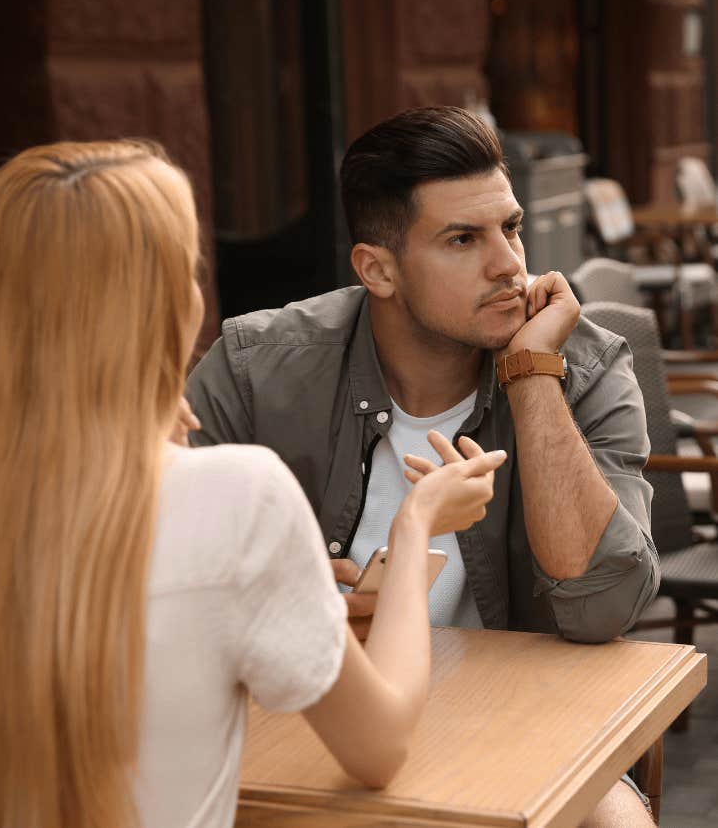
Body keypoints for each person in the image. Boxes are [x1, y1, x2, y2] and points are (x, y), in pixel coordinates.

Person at [0, 140, 507, 828]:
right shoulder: (237, 497)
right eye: (190, 272)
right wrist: (415, 530)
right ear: (163, 304)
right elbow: (379, 747)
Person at [186, 107, 659, 826]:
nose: (509, 264)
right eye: (463, 239)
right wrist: (289, 599)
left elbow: (602, 608)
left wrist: (532, 374)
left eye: (511, 227)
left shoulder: (583, 365)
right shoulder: (257, 369)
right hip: (313, 723)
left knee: (614, 822)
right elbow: (154, 571)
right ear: (377, 268)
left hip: (522, 727)